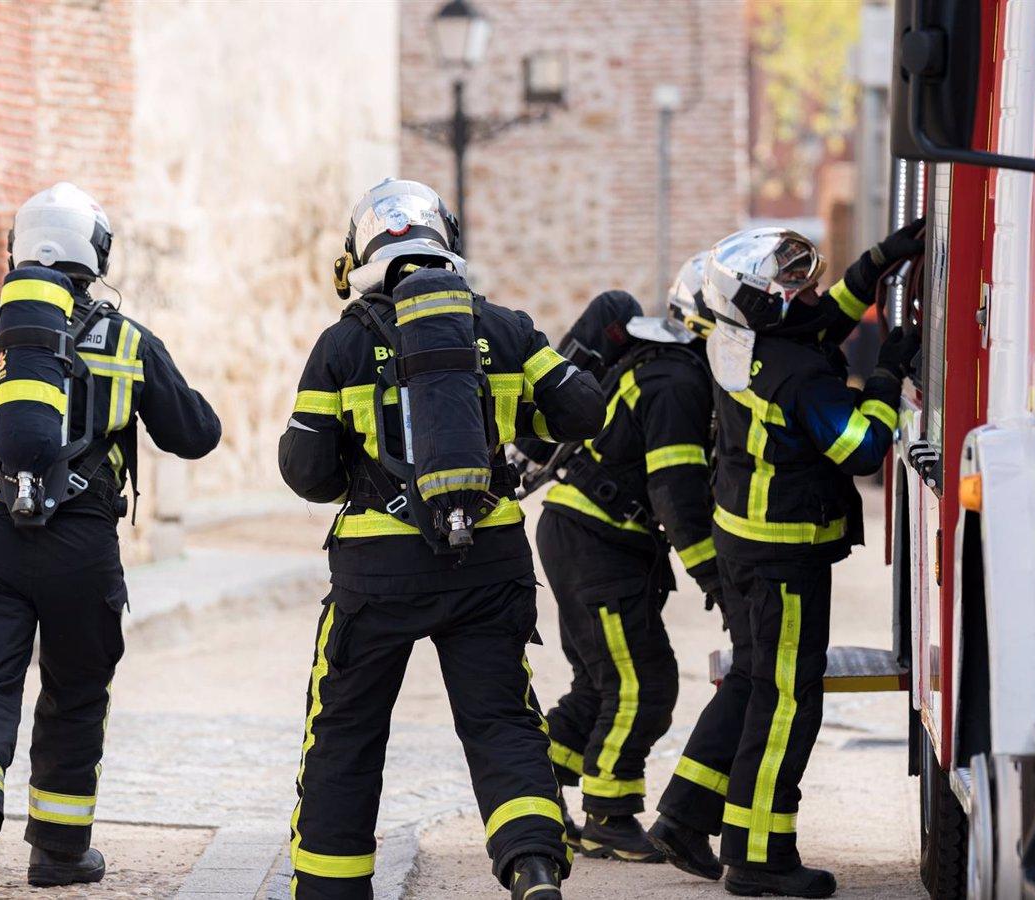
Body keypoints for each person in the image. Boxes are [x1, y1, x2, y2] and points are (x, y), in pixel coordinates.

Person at [278, 178, 606, 900]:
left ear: (362, 253)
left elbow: (304, 470)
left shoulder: (340, 346)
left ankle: (330, 889)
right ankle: (533, 867)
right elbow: (581, 412)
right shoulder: (507, 329)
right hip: (488, 563)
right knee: (501, 722)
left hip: (376, 572)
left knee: (346, 730)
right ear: (446, 239)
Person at [0, 182, 222, 900]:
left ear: (15, 252)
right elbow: (196, 434)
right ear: (95, 256)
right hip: (83, 548)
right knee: (77, 693)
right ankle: (58, 852)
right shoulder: (125, 342)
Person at [647, 221, 923, 898]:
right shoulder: (798, 373)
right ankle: (759, 854)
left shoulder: (741, 342)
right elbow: (860, 447)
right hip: (784, 557)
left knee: (752, 682)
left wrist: (880, 262)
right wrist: (886, 373)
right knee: (785, 702)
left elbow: (825, 318)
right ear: (769, 302)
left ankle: (685, 816)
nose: (813, 291)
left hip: (746, 542)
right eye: (796, 285)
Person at [517, 273, 720, 864]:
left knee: (600, 684)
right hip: (594, 544)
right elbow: (677, 493)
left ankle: (537, 791)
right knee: (642, 684)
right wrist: (716, 579)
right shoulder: (677, 383)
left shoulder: (662, 366)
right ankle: (608, 815)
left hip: (586, 537)